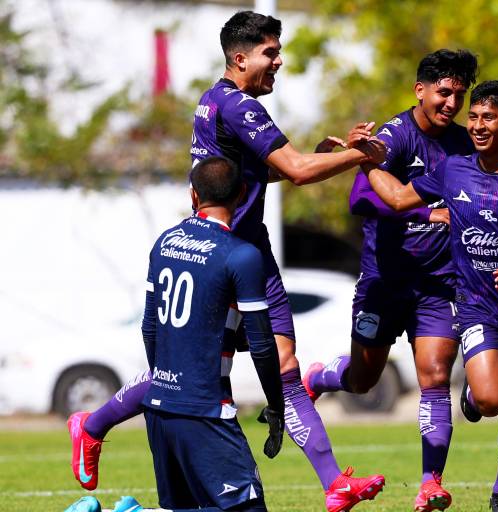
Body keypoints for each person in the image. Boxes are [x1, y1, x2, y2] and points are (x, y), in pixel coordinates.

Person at [67, 11, 387, 512]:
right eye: (270, 53)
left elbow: (269, 172)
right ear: (239, 58)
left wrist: (326, 155)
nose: (278, 62)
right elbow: (298, 170)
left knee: (284, 364)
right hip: (219, 255)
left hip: (250, 249)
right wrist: (362, 156)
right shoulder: (238, 105)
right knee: (186, 371)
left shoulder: (219, 102)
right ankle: (92, 423)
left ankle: (333, 483)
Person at [360, 80, 498, 512]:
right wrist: (367, 162)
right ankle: (473, 393)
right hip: (476, 307)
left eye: (489, 118)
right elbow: (399, 198)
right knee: (491, 400)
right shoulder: (453, 169)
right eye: (474, 117)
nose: (478, 126)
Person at [302, 49, 477, 512]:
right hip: (384, 281)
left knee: (435, 375)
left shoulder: (464, 144)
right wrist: (426, 212)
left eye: (459, 95)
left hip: (438, 284)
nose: (451, 103)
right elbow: (360, 201)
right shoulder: (393, 138)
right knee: (363, 381)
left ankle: (430, 483)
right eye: (444, 92)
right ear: (420, 90)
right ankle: (320, 376)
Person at [66, 156, 284, 511]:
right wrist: (276, 405)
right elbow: (262, 344)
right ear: (242, 193)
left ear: (193, 195)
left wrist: (164, 385)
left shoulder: (165, 242)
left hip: (160, 408)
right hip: (205, 411)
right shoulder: (242, 255)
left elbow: (149, 326)